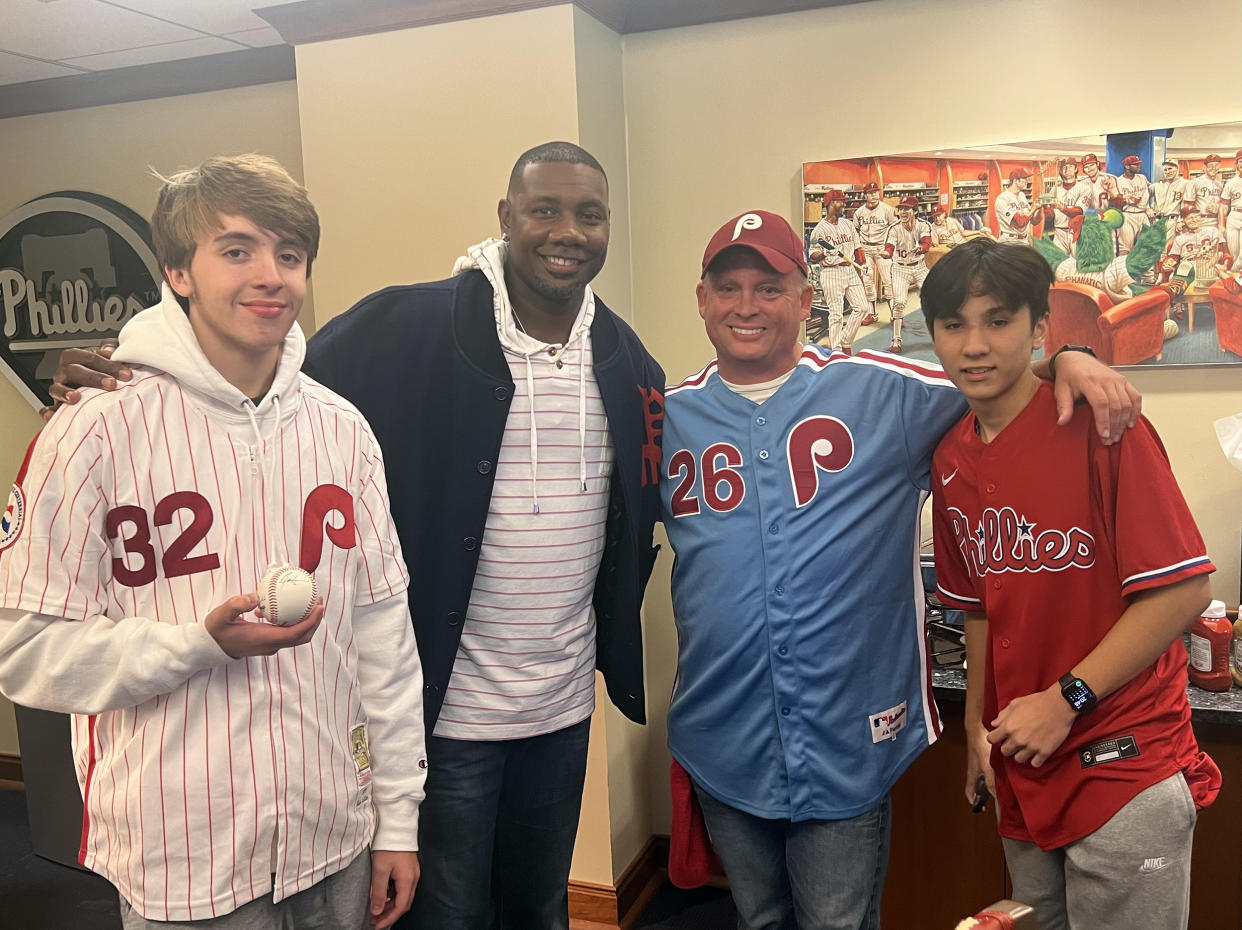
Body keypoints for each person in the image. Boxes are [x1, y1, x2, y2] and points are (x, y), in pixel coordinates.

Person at [44, 141, 665, 930]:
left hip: (562, 708)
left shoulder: (627, 361)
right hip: (448, 715)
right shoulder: (412, 322)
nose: (566, 231)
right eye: (544, 209)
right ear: (506, 218)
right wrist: (131, 364)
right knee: (446, 916)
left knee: (538, 910)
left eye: (589, 214)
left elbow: (638, 514)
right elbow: (259, 374)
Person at [661, 209, 1140, 930]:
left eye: (770, 286)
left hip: (844, 732)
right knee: (757, 920)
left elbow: (993, 375)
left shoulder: (882, 389)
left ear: (804, 297)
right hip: (723, 732)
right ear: (702, 299)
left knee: (837, 922)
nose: (747, 306)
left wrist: (1068, 354)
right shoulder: (666, 417)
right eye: (728, 288)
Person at [0, 154, 426, 929]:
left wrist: (397, 818)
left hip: (333, 834)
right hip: (181, 854)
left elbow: (383, 639)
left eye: (289, 255)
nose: (270, 276)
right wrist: (198, 644)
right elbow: (22, 650)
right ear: (177, 270)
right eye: (237, 250)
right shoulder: (91, 429)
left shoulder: (344, 430)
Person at [921, 238, 1220, 930]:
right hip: (1024, 764)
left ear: (1039, 329)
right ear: (931, 333)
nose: (975, 345)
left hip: (1121, 761)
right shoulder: (952, 457)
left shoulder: (1102, 426)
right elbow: (977, 611)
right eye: (954, 324)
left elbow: (1184, 591)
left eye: (998, 321)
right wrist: (975, 732)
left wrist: (1066, 699)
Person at [808, 189, 873, 354]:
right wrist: (824, 253)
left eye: (844, 201)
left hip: (850, 269)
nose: (844, 204)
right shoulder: (819, 230)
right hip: (831, 272)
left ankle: (845, 340)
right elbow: (812, 256)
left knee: (862, 307)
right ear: (830, 203)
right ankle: (837, 351)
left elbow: (858, 247)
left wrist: (863, 264)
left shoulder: (848, 224)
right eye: (840, 201)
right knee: (836, 314)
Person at [881, 197, 932, 353]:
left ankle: (937, 333)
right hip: (900, 269)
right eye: (901, 208)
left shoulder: (923, 225)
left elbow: (926, 242)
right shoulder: (894, 228)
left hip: (920, 267)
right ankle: (896, 339)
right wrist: (886, 253)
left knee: (931, 298)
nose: (902, 212)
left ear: (915, 211)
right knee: (900, 302)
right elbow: (889, 246)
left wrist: (921, 248)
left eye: (906, 209)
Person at [853, 181, 896, 320]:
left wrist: (890, 248)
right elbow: (855, 232)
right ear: (865, 195)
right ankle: (871, 313)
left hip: (881, 248)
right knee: (867, 281)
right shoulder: (859, 212)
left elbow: (895, 230)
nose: (874, 195)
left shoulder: (887, 209)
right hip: (865, 248)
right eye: (871, 193)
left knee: (888, 281)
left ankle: (895, 314)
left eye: (876, 192)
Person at [1114, 155, 1154, 255]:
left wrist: (1148, 208)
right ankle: (1124, 270)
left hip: (1142, 215)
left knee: (1147, 246)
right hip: (1128, 215)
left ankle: (1146, 271)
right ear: (1127, 166)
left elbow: (1149, 193)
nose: (1139, 166)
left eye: (1139, 164)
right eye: (1136, 164)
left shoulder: (1142, 178)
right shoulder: (1118, 181)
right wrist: (1127, 199)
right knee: (1125, 248)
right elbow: (1114, 201)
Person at [1051, 159, 1091, 256]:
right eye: (1064, 167)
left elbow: (1077, 212)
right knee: (1058, 263)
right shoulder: (1054, 190)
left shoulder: (1084, 188)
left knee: (1077, 264)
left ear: (1076, 169)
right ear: (1060, 171)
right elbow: (1050, 215)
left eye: (1070, 166)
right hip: (1059, 231)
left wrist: (1061, 207)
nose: (1067, 169)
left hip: (1076, 232)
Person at [1152, 161, 1188, 246]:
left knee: (1168, 249)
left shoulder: (1186, 184)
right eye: (1165, 170)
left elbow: (1187, 205)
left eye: (1170, 168)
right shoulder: (1158, 185)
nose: (1168, 171)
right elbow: (1143, 195)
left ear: (1177, 168)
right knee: (1155, 250)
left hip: (1173, 221)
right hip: (1157, 221)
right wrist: (1147, 208)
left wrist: (1181, 221)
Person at [995, 168, 1036, 243]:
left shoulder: (1022, 195)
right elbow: (1020, 223)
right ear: (1015, 181)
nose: (1027, 181)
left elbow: (1034, 221)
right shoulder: (1002, 199)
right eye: (1024, 179)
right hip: (1010, 240)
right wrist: (1034, 208)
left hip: (1024, 239)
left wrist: (1039, 208)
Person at [1218, 150, 1242, 272]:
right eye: (1240, 161)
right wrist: (1221, 225)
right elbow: (1223, 206)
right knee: (1234, 252)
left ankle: (1232, 275)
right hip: (1234, 215)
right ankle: (1235, 283)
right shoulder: (1231, 183)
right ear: (1237, 164)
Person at [1183, 154, 1223, 225]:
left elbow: (1223, 204)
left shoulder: (1220, 184)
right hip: (1201, 220)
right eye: (1210, 165)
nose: (1213, 168)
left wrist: (1218, 206)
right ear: (1205, 167)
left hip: (1217, 221)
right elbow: (1187, 206)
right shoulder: (1194, 182)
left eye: (1216, 165)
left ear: (1219, 166)